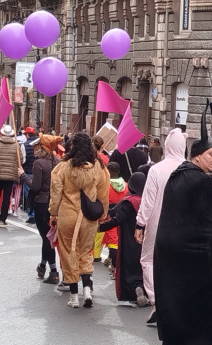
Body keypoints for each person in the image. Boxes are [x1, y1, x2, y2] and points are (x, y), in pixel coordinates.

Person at [154, 108, 212, 345]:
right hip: (194, 254)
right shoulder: (200, 181)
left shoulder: (177, 175)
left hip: (168, 250)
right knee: (200, 304)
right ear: (197, 155)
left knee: (171, 300)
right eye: (211, 154)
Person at [48, 132, 109, 309]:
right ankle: (87, 291)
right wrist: (102, 215)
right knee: (86, 252)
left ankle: (74, 297)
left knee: (69, 253)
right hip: (88, 218)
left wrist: (53, 213)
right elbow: (103, 195)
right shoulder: (99, 167)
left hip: (67, 215)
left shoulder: (63, 167)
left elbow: (55, 193)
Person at [135, 128, 186, 326]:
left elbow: (147, 201)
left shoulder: (156, 170)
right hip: (182, 224)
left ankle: (157, 301)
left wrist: (140, 223)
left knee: (148, 260)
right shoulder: (190, 169)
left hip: (157, 222)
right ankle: (176, 302)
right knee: (178, 262)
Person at [98, 172, 148, 305]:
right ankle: (142, 288)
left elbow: (116, 218)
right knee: (143, 267)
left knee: (128, 268)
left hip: (128, 242)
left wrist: (98, 228)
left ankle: (134, 290)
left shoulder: (128, 202)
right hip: (145, 242)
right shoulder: (148, 201)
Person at [18, 135, 62, 284]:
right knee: (48, 237)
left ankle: (54, 271)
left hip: (42, 203)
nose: (34, 147)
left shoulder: (38, 163)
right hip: (56, 203)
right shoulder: (58, 162)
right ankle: (42, 266)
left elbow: (35, 186)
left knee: (46, 238)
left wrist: (23, 176)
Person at [0, 125, 22, 228]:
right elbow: (21, 159)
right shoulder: (16, 145)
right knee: (6, 197)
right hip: (10, 175)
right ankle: (3, 219)